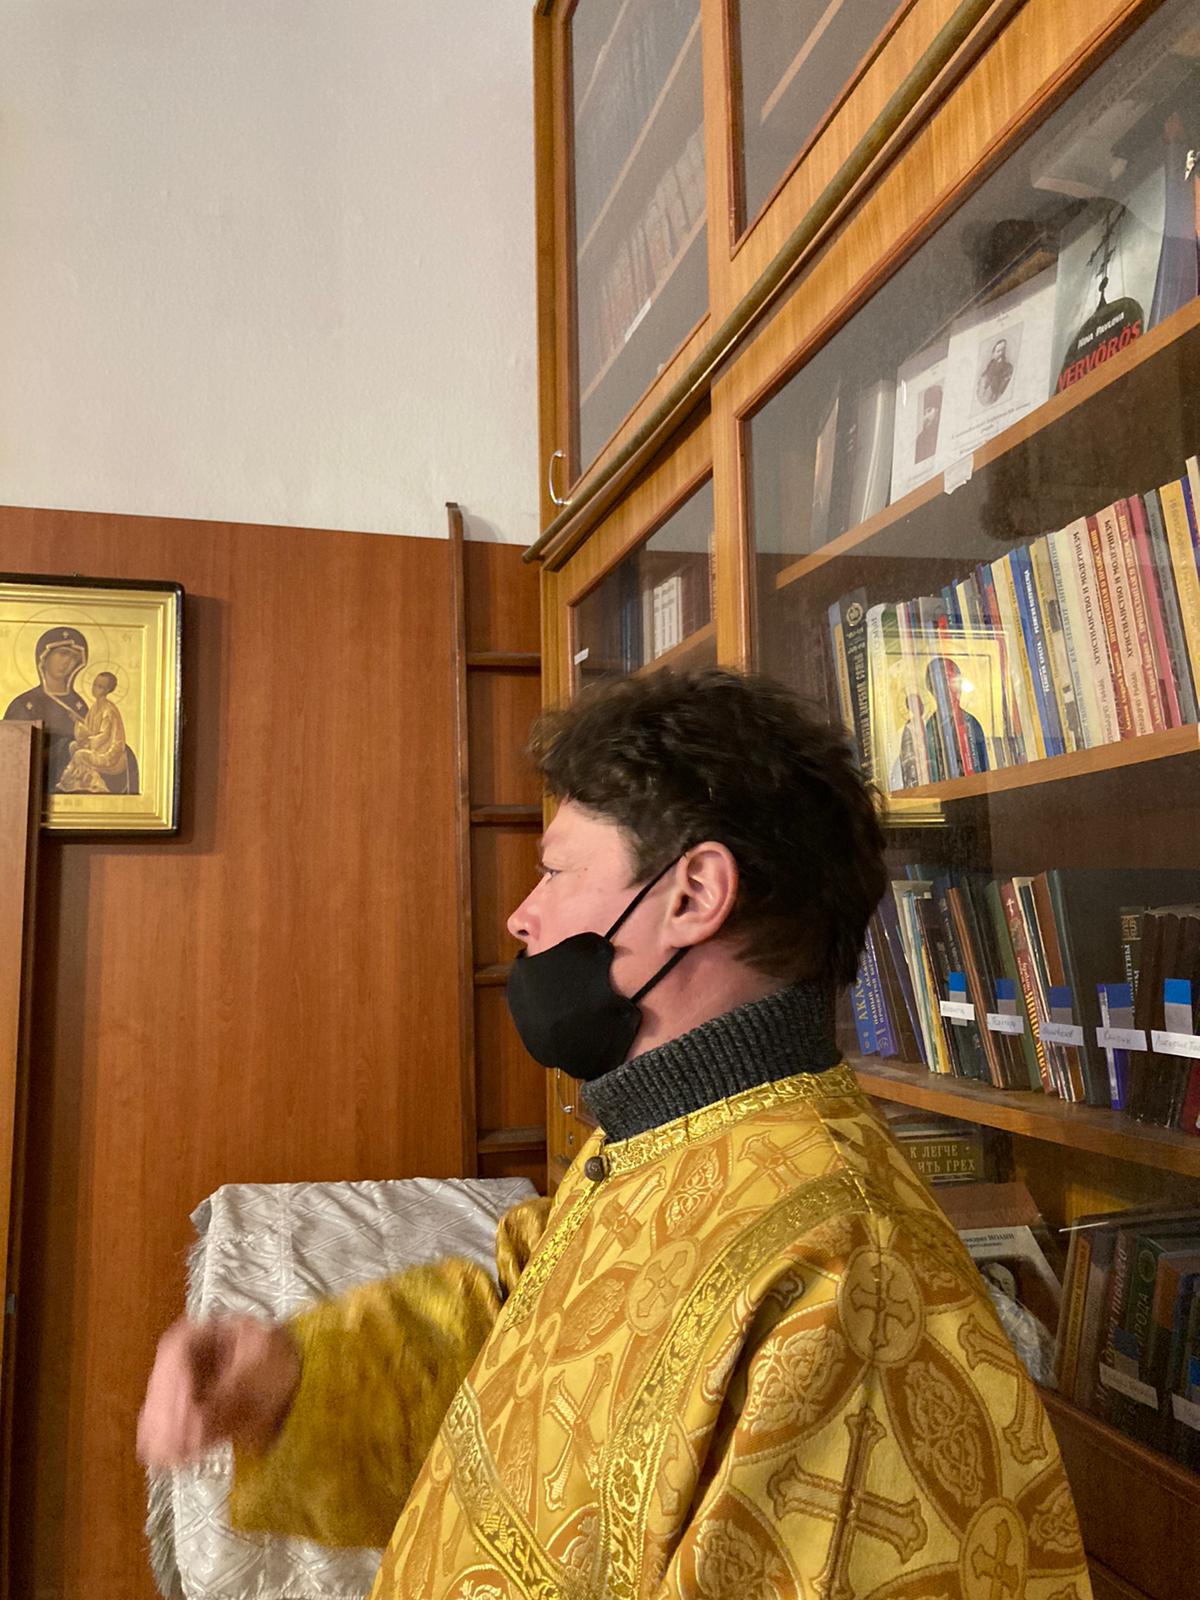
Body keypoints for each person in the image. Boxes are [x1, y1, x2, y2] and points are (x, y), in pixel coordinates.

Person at [138, 668, 1090, 1599]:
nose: (523, 916)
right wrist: (293, 1378)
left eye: (555, 871)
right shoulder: (654, 1140)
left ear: (693, 894)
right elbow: (523, 1345)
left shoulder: (851, 1286)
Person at [3, 625, 91, 791]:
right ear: (44, 656)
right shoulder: (24, 703)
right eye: (62, 654)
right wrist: (64, 746)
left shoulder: (79, 706)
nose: (67, 662)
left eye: (73, 657)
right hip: (30, 787)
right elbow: (10, 753)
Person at [58, 670, 136, 794]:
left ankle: (80, 783)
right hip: (97, 748)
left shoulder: (108, 710)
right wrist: (77, 721)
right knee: (73, 746)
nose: (94, 689)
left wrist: (89, 741)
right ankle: (84, 779)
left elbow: (104, 735)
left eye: (100, 686)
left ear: (107, 690)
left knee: (80, 755)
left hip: (109, 753)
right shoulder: (94, 707)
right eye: (94, 684)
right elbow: (89, 730)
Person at [976, 335, 1015, 406]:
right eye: (998, 351)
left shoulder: (1009, 369)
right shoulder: (984, 376)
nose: (1001, 353)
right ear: (993, 354)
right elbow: (983, 397)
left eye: (1003, 350)